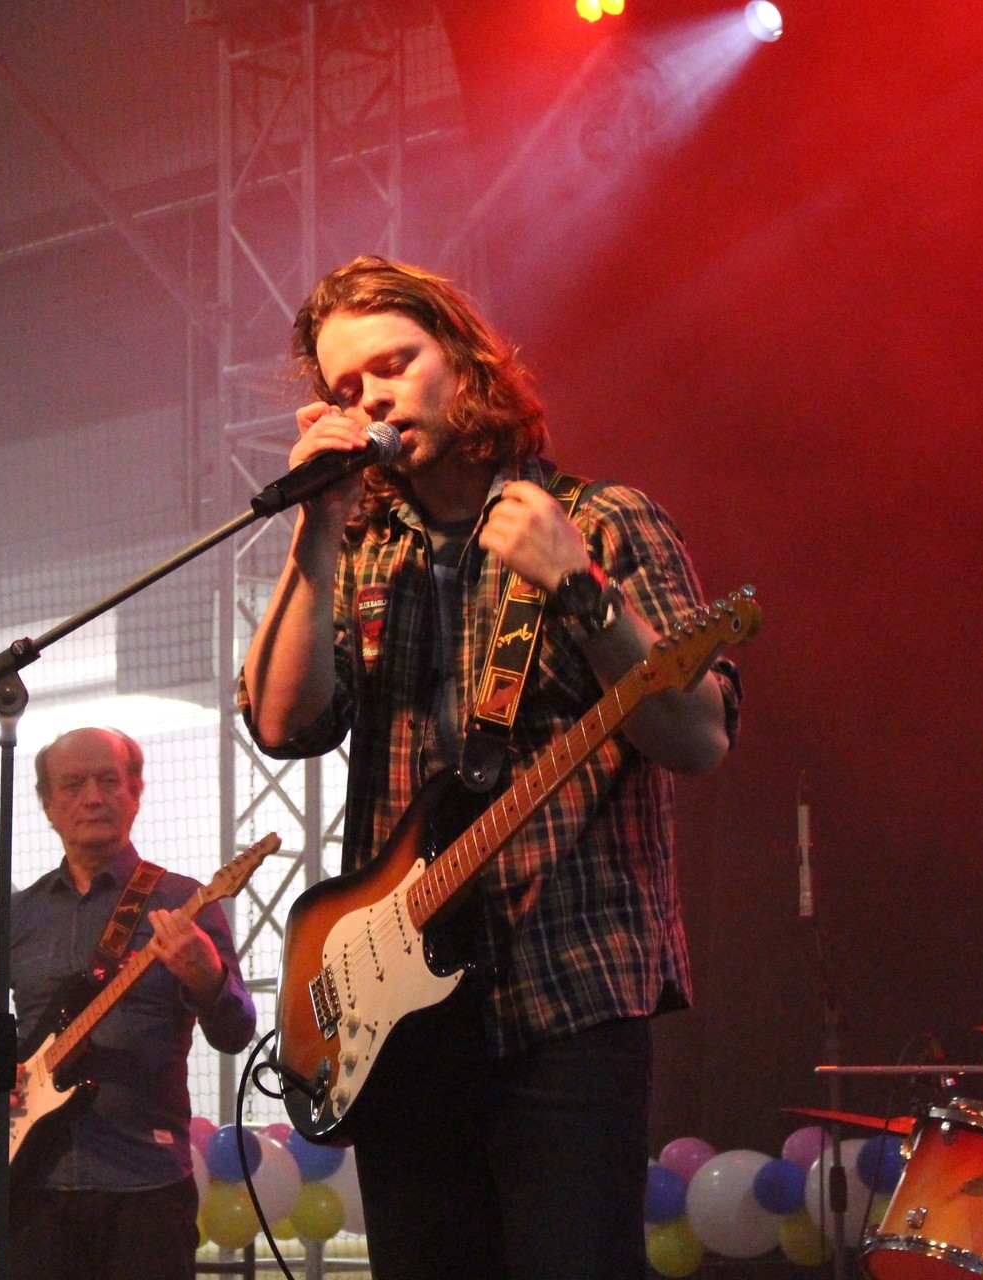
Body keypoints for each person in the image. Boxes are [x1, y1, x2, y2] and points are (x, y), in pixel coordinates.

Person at [238, 256, 741, 1280]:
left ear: (464, 360)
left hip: (564, 987)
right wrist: (316, 529)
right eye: (346, 388)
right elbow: (283, 724)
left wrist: (581, 587)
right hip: (396, 1012)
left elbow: (698, 737)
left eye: (393, 364)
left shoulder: (602, 519)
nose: (372, 398)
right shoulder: (361, 551)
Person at [0, 726, 257, 1280]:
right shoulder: (14, 917)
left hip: (146, 1187)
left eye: (109, 781)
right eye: (74, 784)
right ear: (48, 805)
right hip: (31, 1191)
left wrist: (208, 977)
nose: (93, 797)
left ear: (136, 792)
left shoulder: (182, 902)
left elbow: (236, 1031)